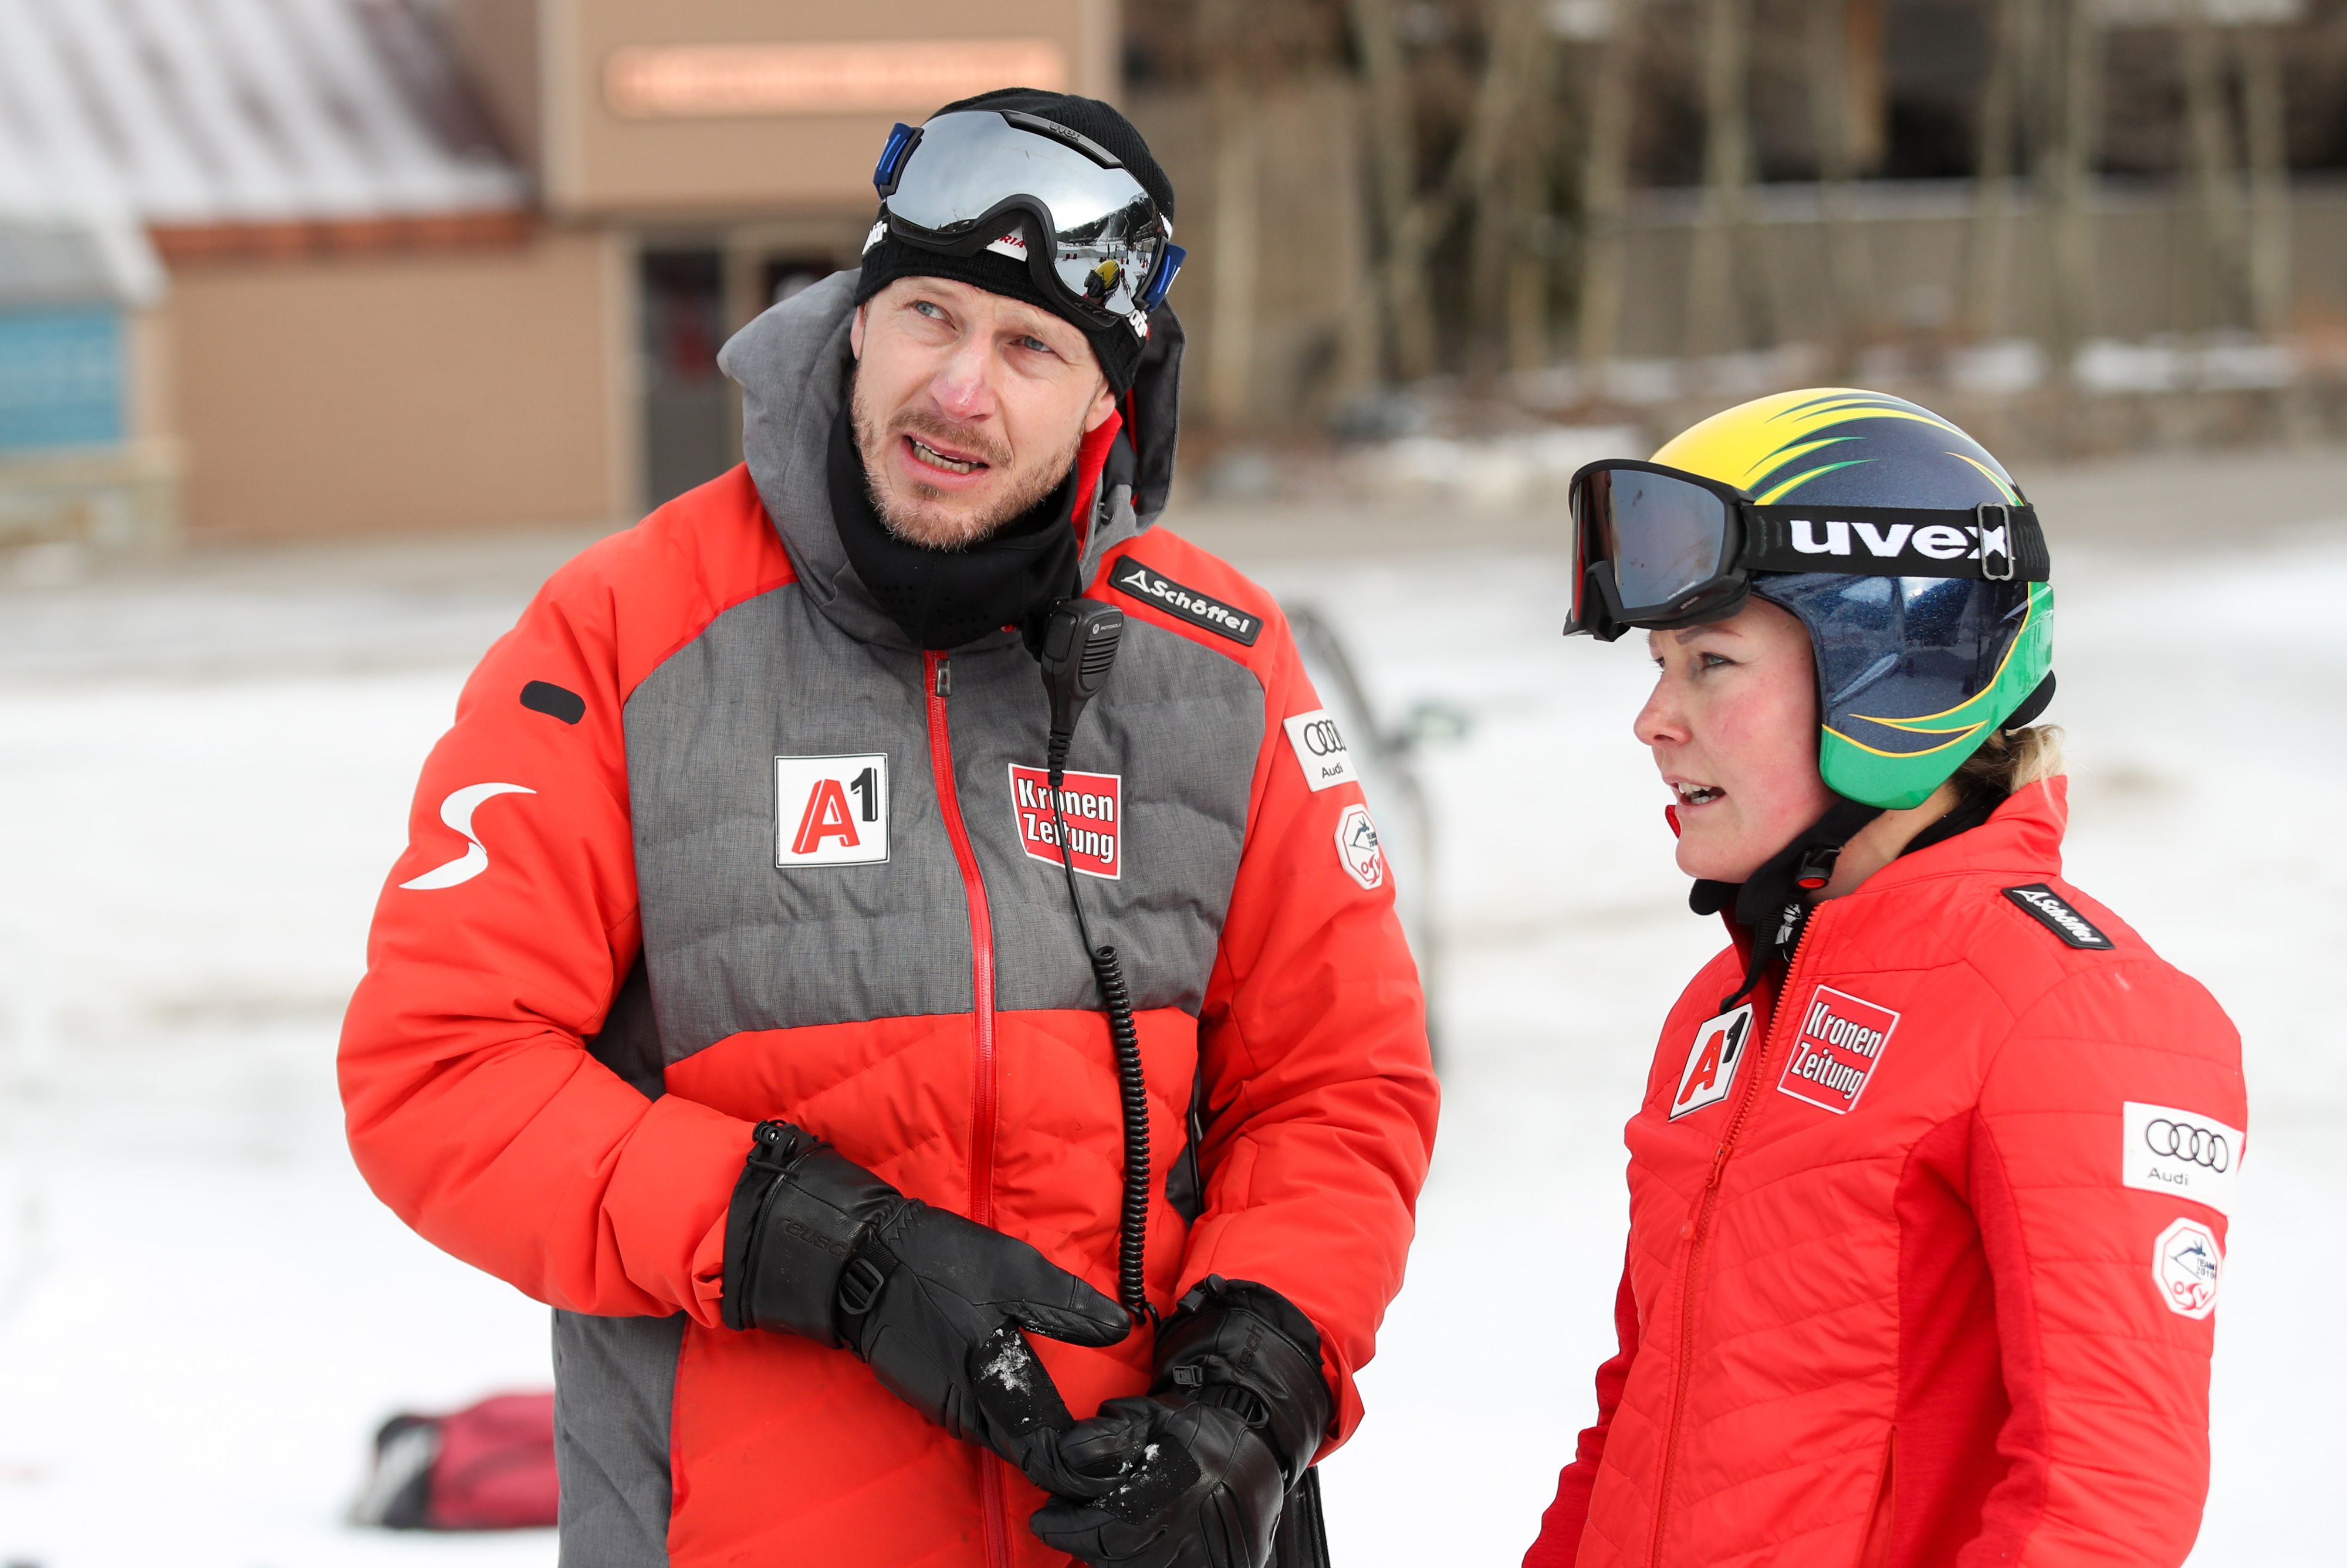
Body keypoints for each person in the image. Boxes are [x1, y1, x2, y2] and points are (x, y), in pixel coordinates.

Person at [339, 91, 1438, 1568]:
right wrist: (821, 1245)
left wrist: (1256, 1384)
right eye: (929, 313)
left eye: (1030, 346)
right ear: (855, 315)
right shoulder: (622, 633)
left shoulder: (1217, 664)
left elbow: (1337, 1080)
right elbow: (442, 1064)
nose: (960, 390)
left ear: (1106, 396)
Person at [1524, 390, 2244, 1568]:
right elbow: (1630, 1430)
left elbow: (2100, 1503)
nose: (1652, 718)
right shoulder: (1722, 1011)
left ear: (1894, 670)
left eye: (1709, 661)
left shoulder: (2071, 1013)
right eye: (1657, 665)